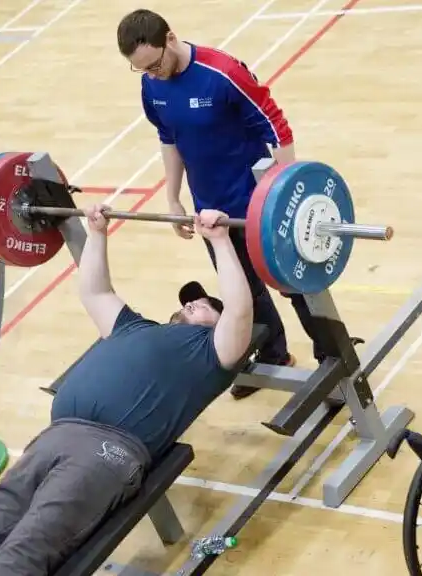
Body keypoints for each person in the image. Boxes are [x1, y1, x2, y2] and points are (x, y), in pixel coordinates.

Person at [0, 206, 254, 576]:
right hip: (52, 438)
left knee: (23, 553)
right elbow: (95, 291)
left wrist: (220, 241)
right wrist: (97, 233)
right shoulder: (134, 327)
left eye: (205, 306)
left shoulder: (213, 354)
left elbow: (241, 311)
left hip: (107, 451)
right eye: (189, 302)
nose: (191, 303)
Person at [116, 8, 330, 399]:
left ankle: (333, 362)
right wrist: (173, 199)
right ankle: (273, 356)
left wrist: (288, 197)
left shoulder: (223, 73)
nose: (152, 73)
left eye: (154, 64)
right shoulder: (152, 86)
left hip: (257, 206)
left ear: (170, 38)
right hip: (211, 214)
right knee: (243, 292)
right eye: (141, 69)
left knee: (296, 287)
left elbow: (276, 126)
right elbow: (169, 138)